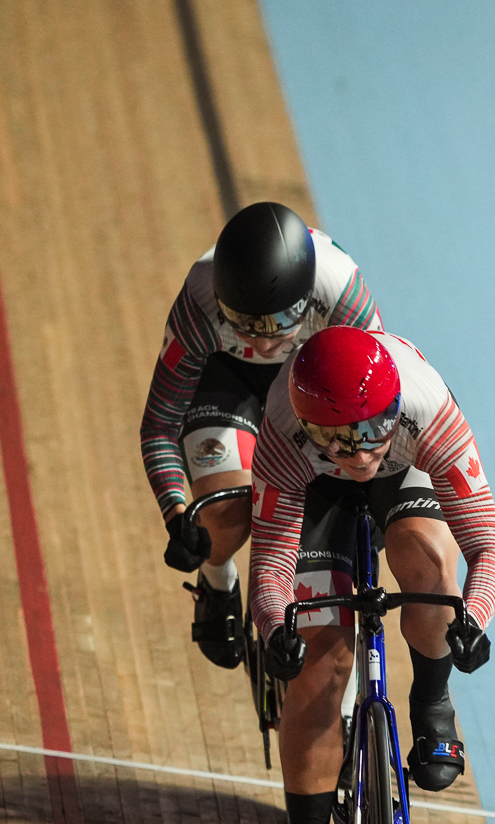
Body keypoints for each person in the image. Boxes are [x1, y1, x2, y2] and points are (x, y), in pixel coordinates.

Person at [247, 327, 495, 824]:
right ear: (308, 426)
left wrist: (471, 617)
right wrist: (277, 622)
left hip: (408, 470)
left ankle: (432, 702)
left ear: (395, 409)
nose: (358, 453)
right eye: (337, 438)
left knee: (427, 562)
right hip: (315, 490)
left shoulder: (430, 412)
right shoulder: (283, 436)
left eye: (369, 432)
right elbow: (271, 566)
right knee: (320, 664)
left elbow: (486, 549)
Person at [141, 201, 383, 667]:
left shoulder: (343, 295)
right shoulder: (199, 303)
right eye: (246, 323)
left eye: (278, 323)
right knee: (225, 513)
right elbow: (159, 425)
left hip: (312, 378)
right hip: (229, 382)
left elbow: (373, 407)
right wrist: (178, 516)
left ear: (308, 298)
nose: (264, 341)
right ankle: (217, 580)